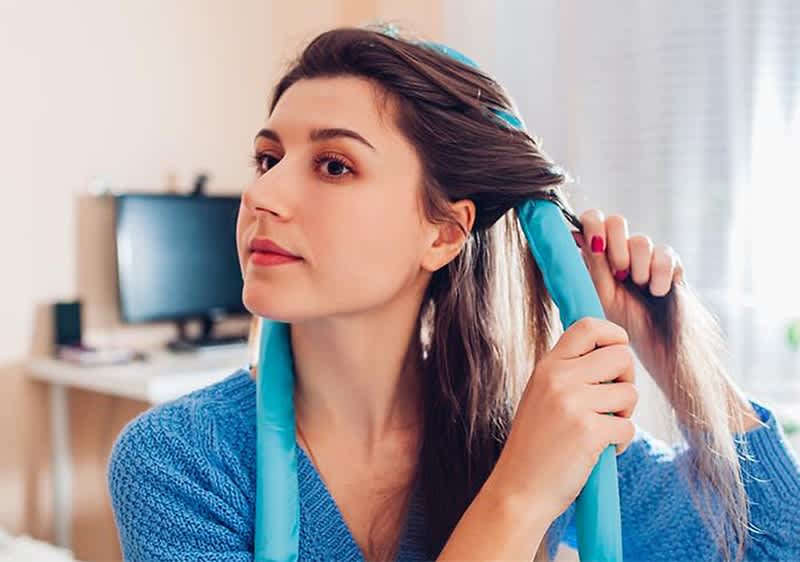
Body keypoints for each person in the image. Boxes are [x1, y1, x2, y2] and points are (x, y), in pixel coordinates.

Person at [107, 25, 800, 562]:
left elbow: (774, 544)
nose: (262, 193)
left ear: (443, 233)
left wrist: (671, 355)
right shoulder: (181, 461)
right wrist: (519, 496)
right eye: (267, 158)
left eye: (334, 165)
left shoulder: (524, 431)